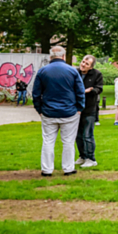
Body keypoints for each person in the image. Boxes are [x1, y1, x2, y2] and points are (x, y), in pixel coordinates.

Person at [32, 46, 85, 177]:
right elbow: (80, 91)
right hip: (69, 111)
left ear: (50, 57)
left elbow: (36, 94)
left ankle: (47, 169)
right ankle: (68, 168)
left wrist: (39, 109)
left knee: (48, 141)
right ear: (63, 56)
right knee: (68, 141)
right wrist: (79, 108)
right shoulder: (72, 71)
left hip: (48, 112)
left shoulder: (42, 71)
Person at [76, 55, 104, 168]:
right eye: (83, 62)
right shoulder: (75, 72)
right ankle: (82, 156)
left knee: (87, 135)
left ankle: (91, 158)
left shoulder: (97, 74)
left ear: (91, 67)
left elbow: (99, 88)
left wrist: (91, 90)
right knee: (78, 135)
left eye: (87, 64)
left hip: (89, 109)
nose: (83, 65)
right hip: (76, 109)